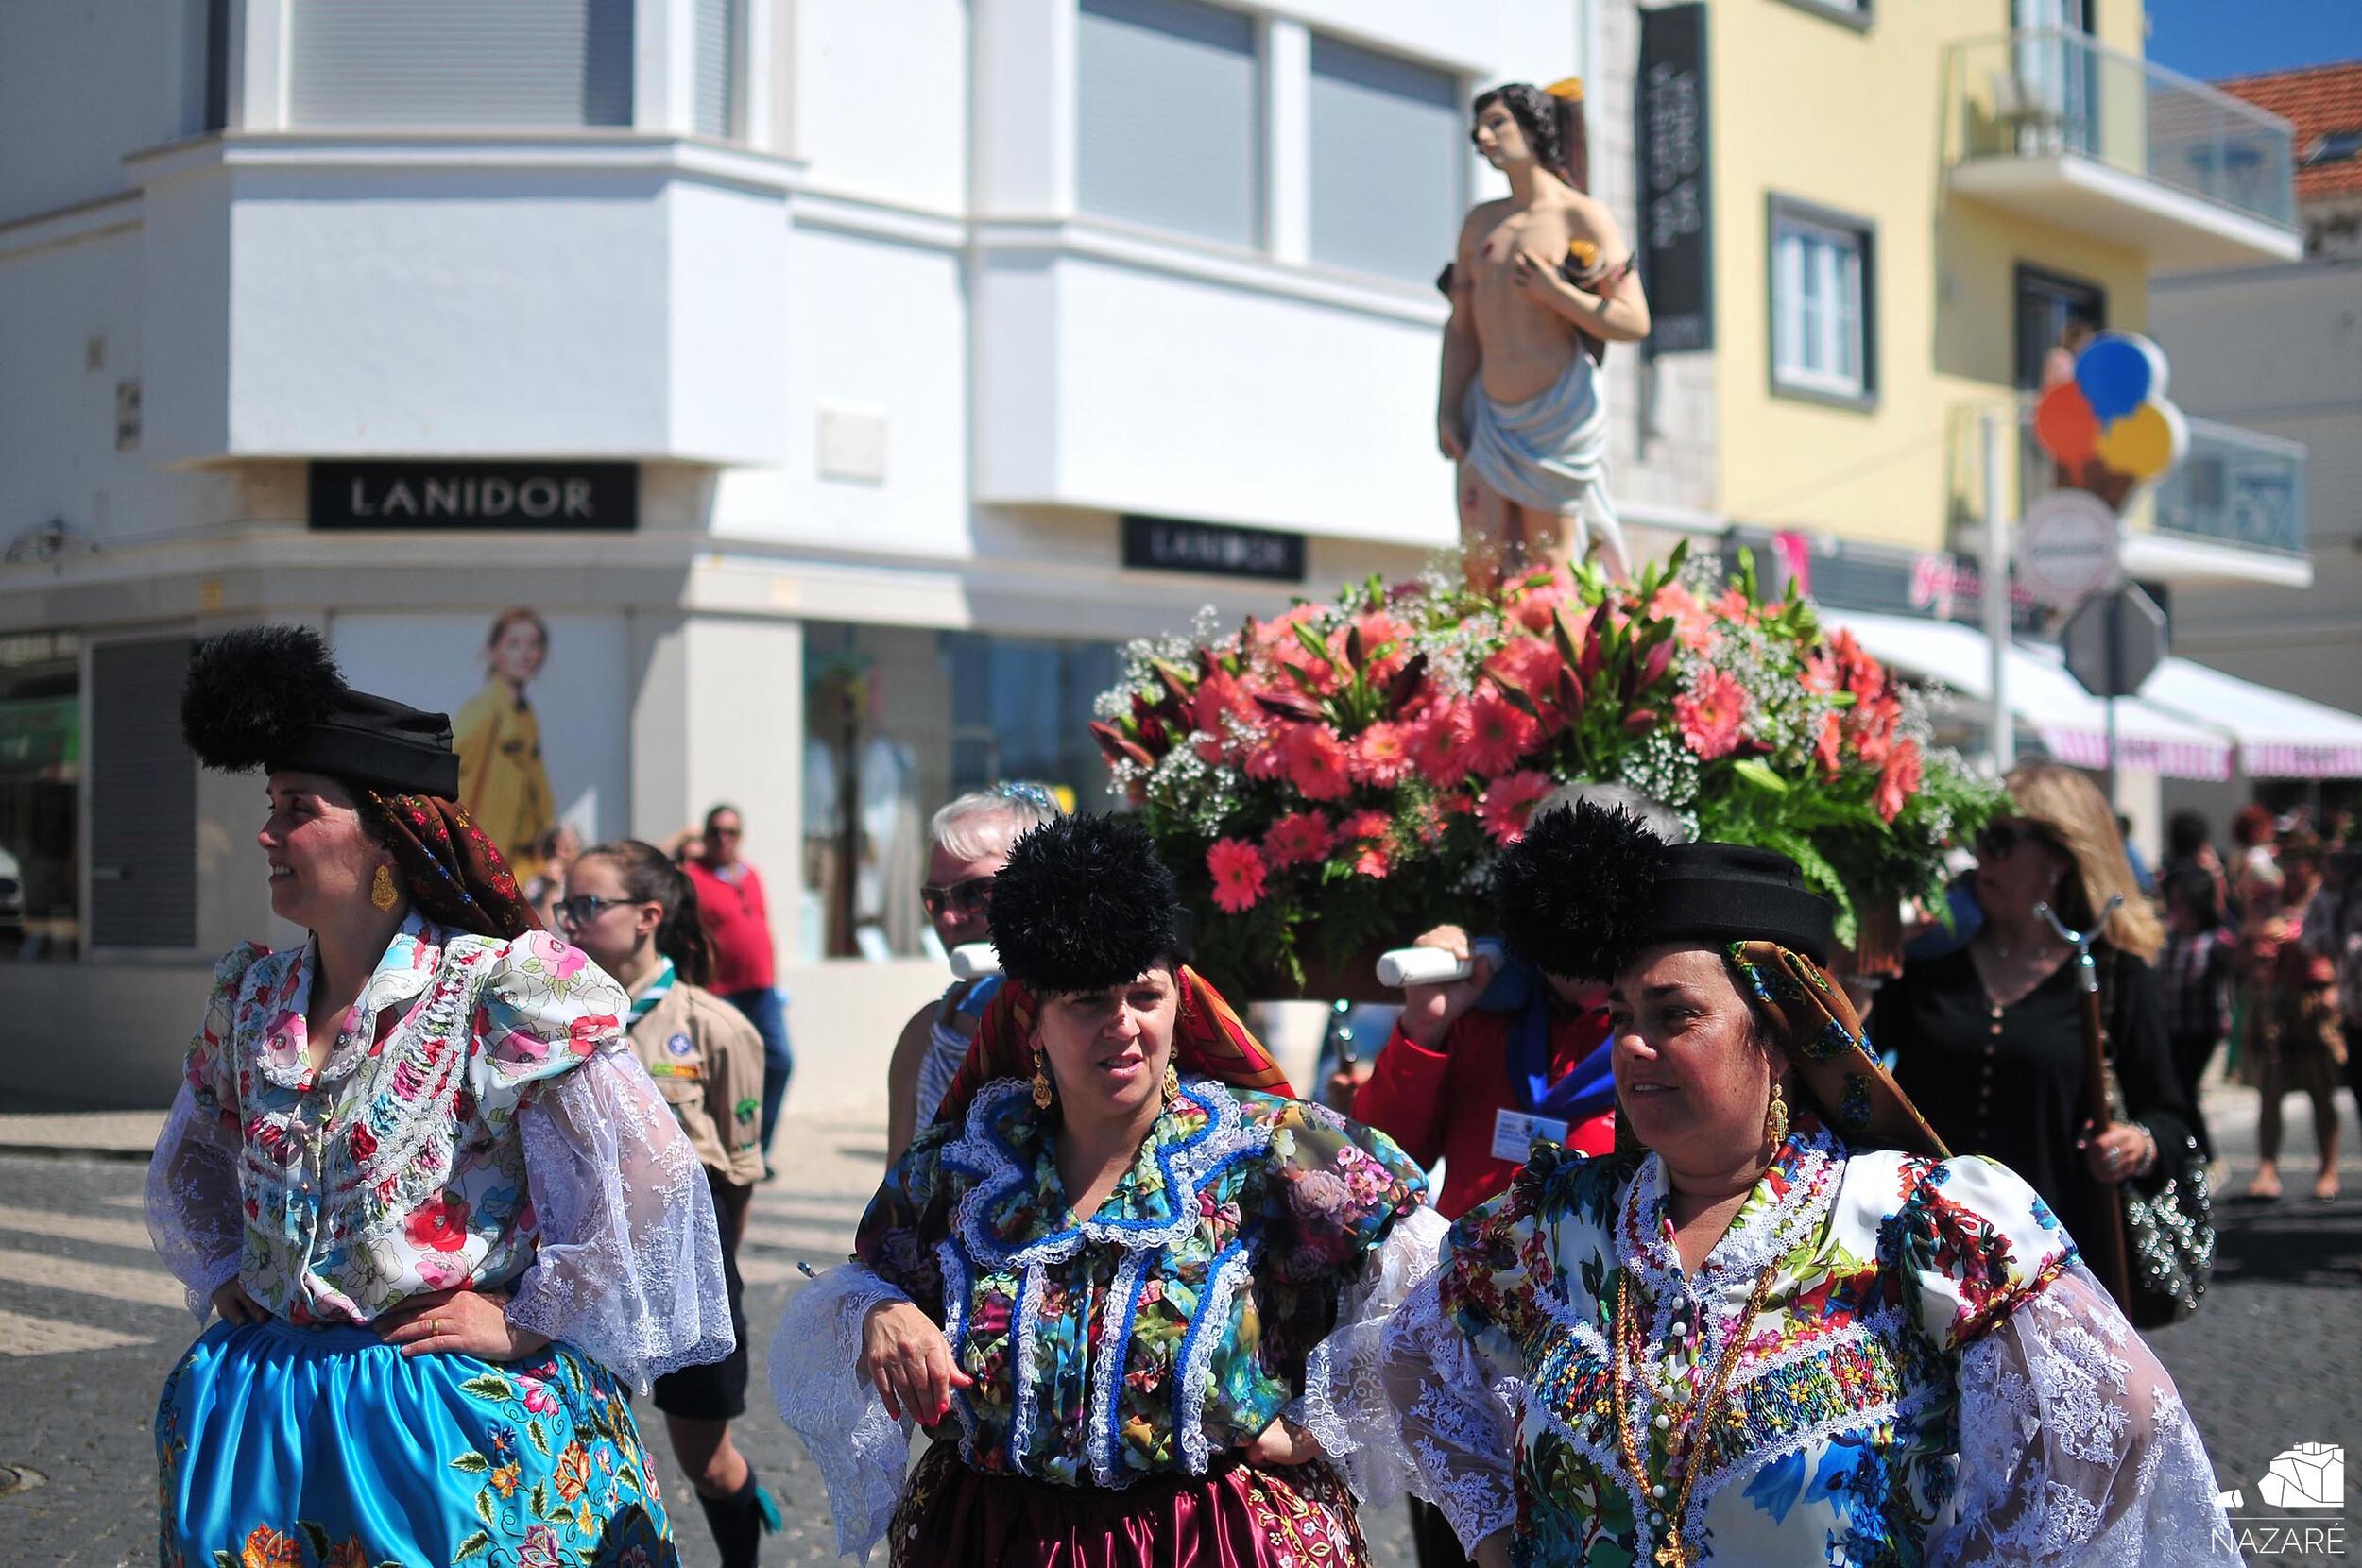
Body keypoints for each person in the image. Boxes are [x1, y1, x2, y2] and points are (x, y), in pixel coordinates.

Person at [1364, 801, 2234, 1565]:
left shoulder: (1912, 1221)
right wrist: (1493, 1541)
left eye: (1676, 1016)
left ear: (1778, 1038)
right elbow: (1409, 1352)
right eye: (1622, 1017)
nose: (1631, 1044)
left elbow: (2126, 1418)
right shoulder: (1558, 1226)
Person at [151, 626, 731, 1566]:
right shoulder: (251, 995)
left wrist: (530, 1316)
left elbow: (652, 1168)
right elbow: (191, 1160)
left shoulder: (499, 986)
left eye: (297, 807)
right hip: (265, 1416)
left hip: (436, 1421)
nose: (268, 832)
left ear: (391, 834)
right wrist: (234, 1275)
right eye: (270, 804)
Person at [773, 814, 1445, 1566]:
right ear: (1035, 1024)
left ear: (1178, 1005)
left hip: (1212, 1541)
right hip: (995, 1541)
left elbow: (1428, 1272)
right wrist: (882, 1310)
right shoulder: (964, 1166)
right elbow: (854, 1285)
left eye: (1145, 997)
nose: (1123, 1027)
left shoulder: (1265, 1149)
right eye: (1088, 1002)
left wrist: (1323, 1422)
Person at [1346, 782, 1674, 1568]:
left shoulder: (1675, 1026)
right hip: (1466, 1355)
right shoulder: (1480, 1006)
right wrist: (1425, 1030)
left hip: (1619, 1356)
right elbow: (1373, 1168)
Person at [1876, 762, 2195, 1272]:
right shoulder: (1928, 962)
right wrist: (1874, 955)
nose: (1981, 855)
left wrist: (2138, 1144)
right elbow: (1851, 1059)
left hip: (2059, 1265)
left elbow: (2173, 1119)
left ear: (2060, 858)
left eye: (2000, 839)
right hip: (1925, 1256)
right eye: (1978, 838)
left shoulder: (2110, 975)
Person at [559, 840, 782, 1566]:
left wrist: (711, 1270)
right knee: (580, 1447)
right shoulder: (558, 1021)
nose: (569, 921)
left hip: (691, 1273)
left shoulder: (717, 1029)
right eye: (565, 905)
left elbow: (739, 1172)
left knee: (706, 1462)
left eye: (587, 906)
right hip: (590, 1275)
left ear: (648, 916)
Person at [1440, 80, 1650, 588]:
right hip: (1488, 415)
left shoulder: (1581, 215)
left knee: (1547, 570)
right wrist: (1446, 408)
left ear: (1532, 127)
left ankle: (1546, 667)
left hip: (1557, 416)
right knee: (1479, 565)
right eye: (1479, 128)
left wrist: (1558, 294)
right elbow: (1463, 329)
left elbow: (1633, 320)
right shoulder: (1481, 224)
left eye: (1497, 124)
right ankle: (1480, 664)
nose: (1484, 137)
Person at [883, 783, 1063, 1163]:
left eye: (974, 893)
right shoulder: (925, 1037)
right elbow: (896, 1209)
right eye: (935, 899)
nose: (948, 918)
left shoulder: (1100, 1027)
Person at [2236, 831, 2345, 1202]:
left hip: (2314, 997)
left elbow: (2340, 945)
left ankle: (2328, 1168)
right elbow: (2246, 939)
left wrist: (2295, 938)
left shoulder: (2326, 898)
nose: (2291, 869)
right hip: (2274, 998)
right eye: (2287, 860)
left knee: (2321, 1088)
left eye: (2298, 860)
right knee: (2270, 1087)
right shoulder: (2267, 898)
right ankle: (2267, 1167)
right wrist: (2260, 937)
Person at [687, 803, 794, 1161]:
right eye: (715, 831)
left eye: (730, 832)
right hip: (720, 990)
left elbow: (763, 926)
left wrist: (776, 982)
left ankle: (757, 1148)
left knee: (779, 1061)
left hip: (761, 988)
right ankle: (725, 1149)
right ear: (705, 835)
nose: (723, 839)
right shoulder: (693, 876)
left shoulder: (751, 875)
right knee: (723, 1073)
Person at [454, 606, 558, 877]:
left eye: (533, 644)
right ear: (493, 651)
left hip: (523, 861)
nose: (525, 654)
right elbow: (443, 768)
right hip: (485, 862)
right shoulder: (484, 710)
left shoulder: (525, 713)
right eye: (513, 644)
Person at [2161, 867, 2235, 1160]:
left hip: (2203, 1026)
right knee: (2175, 1088)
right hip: (2173, 1024)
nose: (2176, 909)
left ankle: (2202, 1151)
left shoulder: (2216, 940)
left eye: (2183, 903)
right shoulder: (2171, 937)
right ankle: (2188, 1149)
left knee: (2183, 1087)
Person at [521, 819, 582, 930]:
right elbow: (542, 926)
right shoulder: (534, 885)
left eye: (566, 849)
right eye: (552, 848)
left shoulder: (583, 884)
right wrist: (551, 887)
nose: (558, 854)